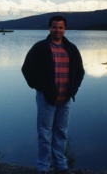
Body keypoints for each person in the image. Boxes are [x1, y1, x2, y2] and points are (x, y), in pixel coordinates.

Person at [21, 15, 85, 174]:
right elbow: (26, 69)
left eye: (61, 27)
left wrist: (73, 90)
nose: (58, 30)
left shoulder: (71, 48)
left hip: (66, 98)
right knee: (45, 133)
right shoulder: (40, 47)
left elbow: (80, 72)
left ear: (65, 29)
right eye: (55, 27)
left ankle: (60, 165)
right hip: (46, 97)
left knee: (61, 132)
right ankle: (43, 166)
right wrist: (40, 87)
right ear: (49, 28)